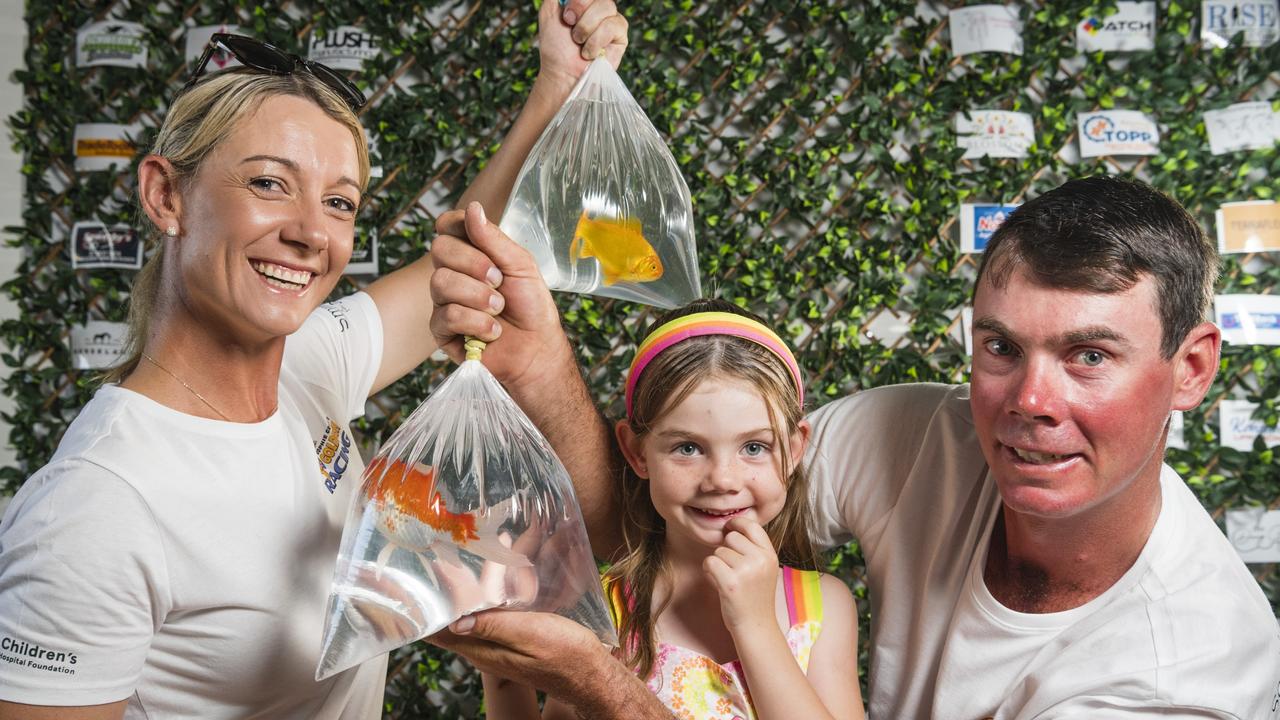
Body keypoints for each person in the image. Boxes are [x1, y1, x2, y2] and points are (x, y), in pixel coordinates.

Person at [427, 175, 1280, 718]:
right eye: (1001, 347)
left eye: (1090, 357)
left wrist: (601, 686)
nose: (1029, 402)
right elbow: (680, 513)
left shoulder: (1186, 676)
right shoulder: (915, 437)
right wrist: (538, 363)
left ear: (1191, 367)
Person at [0, 3, 628, 719]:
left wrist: (557, 85)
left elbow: (458, 261)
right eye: (268, 183)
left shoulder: (307, 362)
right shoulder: (96, 507)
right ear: (165, 194)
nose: (309, 233)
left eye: (339, 202)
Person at [481, 299, 862, 720]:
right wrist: (501, 671)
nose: (722, 479)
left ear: (793, 451)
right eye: (688, 448)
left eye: (754, 447)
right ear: (637, 452)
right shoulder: (603, 610)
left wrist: (756, 625)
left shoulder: (822, 607)